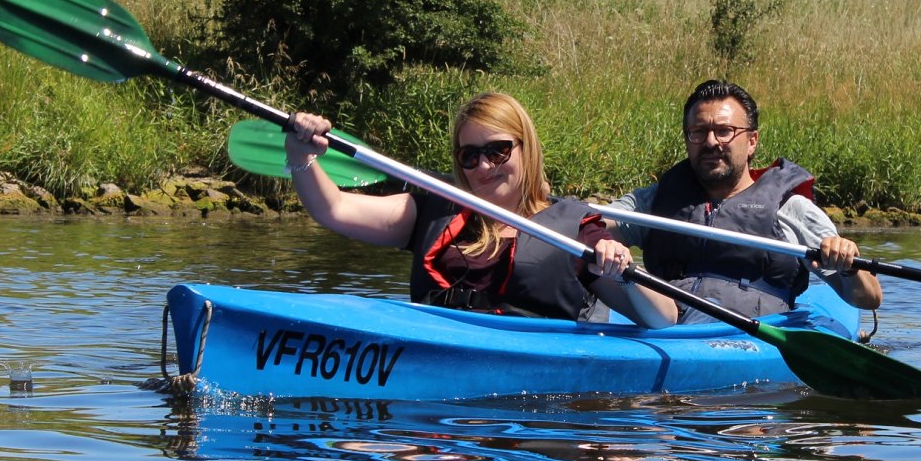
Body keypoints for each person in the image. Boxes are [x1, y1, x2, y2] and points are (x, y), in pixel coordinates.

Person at [284, 92, 676, 328]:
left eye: (498, 150)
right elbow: (333, 208)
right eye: (469, 156)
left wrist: (623, 270)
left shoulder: (575, 229)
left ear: (526, 148)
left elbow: (663, 319)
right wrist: (301, 154)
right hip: (434, 363)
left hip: (528, 411)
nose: (484, 167)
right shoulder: (432, 210)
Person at [607, 80, 882, 323]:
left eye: (724, 131)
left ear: (752, 141)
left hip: (752, 335)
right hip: (667, 329)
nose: (711, 142)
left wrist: (847, 266)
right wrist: (594, 235)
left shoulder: (791, 210)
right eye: (698, 132)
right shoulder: (656, 201)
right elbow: (595, 222)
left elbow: (869, 298)